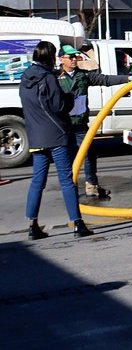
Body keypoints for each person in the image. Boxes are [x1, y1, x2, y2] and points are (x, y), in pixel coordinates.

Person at [20, 41, 93, 239]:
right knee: (67, 180)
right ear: (50, 57)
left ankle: (32, 225)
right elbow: (60, 106)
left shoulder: (25, 78)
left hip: (35, 137)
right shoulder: (49, 78)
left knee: (37, 182)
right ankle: (78, 224)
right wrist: (69, 96)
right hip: (57, 134)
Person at [58, 44, 132, 198]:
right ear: (61, 59)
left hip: (81, 124)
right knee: (67, 158)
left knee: (89, 154)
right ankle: (70, 188)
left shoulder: (83, 75)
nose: (74, 59)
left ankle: (92, 186)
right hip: (63, 125)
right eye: (70, 57)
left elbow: (105, 79)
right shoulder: (55, 78)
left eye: (75, 56)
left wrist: (128, 78)